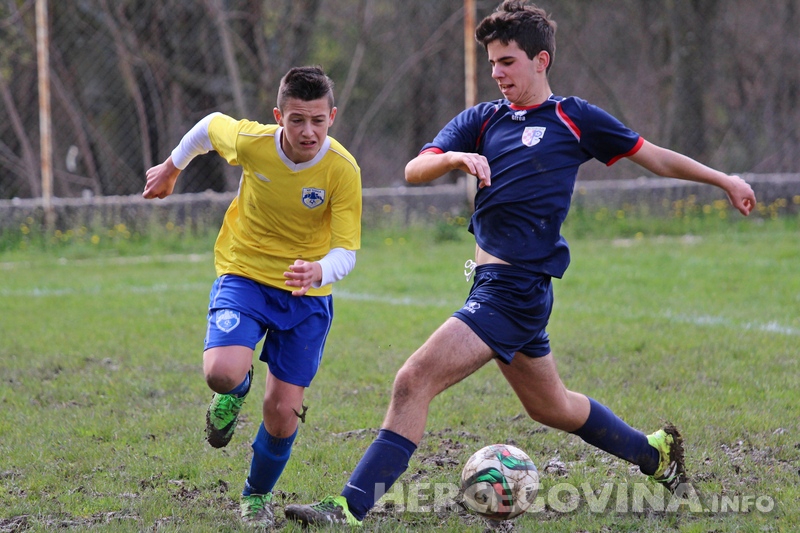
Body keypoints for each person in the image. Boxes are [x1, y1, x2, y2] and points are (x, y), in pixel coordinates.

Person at [284, 0, 757, 527]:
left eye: (507, 61)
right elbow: (415, 169)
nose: (497, 73)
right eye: (492, 63)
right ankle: (655, 454)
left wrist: (724, 180)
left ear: (541, 60)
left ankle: (348, 508)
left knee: (413, 379)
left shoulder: (573, 118)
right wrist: (454, 158)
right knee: (551, 407)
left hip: (516, 291)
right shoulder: (484, 119)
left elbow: (654, 156)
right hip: (491, 285)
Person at [142, 66, 362, 527]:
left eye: (317, 121)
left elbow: (347, 251)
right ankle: (236, 389)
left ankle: (255, 496)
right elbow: (208, 127)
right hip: (245, 273)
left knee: (283, 414)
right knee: (221, 373)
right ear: (279, 117)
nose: (308, 131)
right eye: (297, 120)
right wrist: (171, 167)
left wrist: (319, 269)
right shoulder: (252, 142)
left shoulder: (342, 169)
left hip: (306, 294)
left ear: (332, 117)